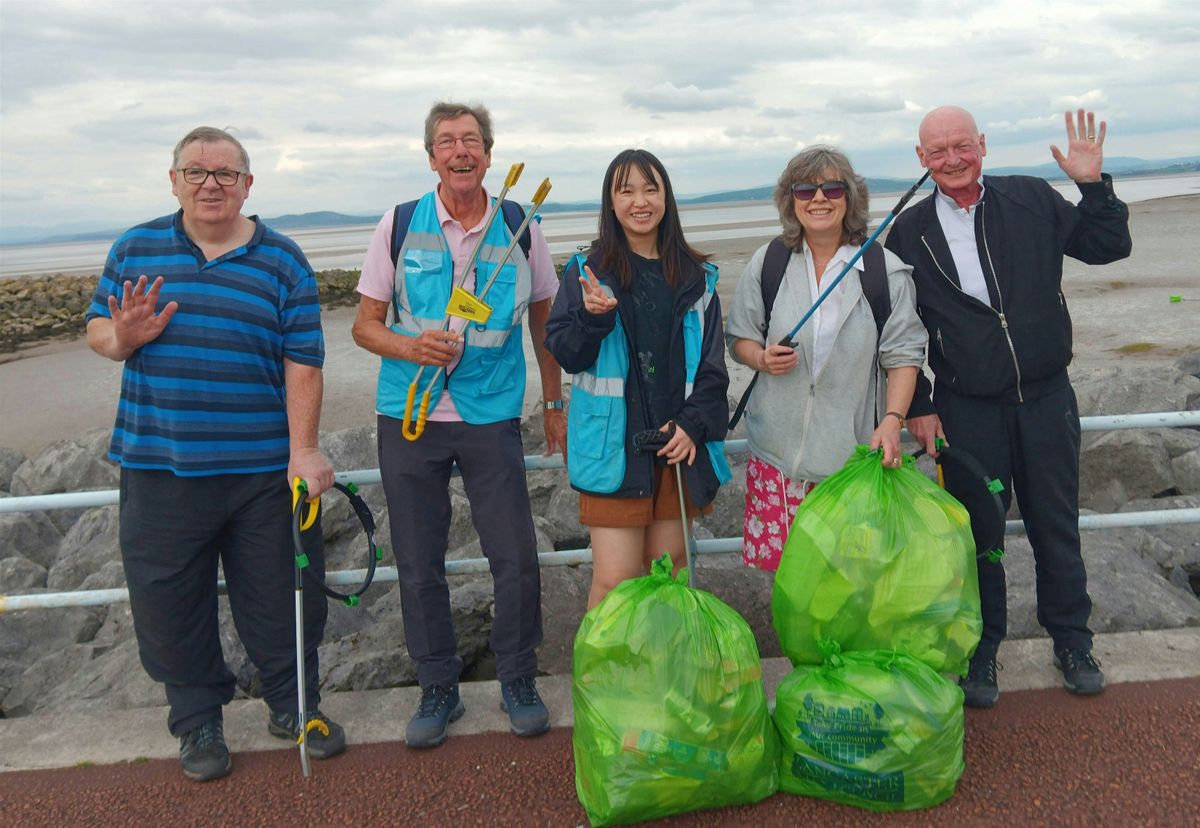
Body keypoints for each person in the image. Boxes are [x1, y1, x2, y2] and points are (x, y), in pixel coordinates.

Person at [85, 126, 344, 782]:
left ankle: (294, 707)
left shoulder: (283, 260)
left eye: (225, 174)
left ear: (248, 185)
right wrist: (122, 336)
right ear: (173, 180)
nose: (210, 184)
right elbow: (97, 332)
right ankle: (197, 719)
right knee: (168, 602)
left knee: (288, 594)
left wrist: (305, 450)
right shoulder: (135, 247)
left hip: (262, 471)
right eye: (196, 172)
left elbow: (304, 363)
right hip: (159, 466)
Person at [885, 107, 1133, 708]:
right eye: (937, 150)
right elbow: (901, 329)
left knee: (1056, 526)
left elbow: (1108, 246)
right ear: (921, 159)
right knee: (978, 535)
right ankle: (981, 649)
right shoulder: (907, 231)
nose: (951, 159)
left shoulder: (1030, 198)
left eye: (961, 146)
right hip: (969, 410)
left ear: (983, 145)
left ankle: (1072, 641)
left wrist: (1093, 186)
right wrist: (918, 401)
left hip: (1048, 398)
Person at [351, 102, 565, 749]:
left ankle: (518, 678)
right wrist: (412, 348)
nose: (460, 150)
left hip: (490, 413)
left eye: (471, 139)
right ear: (432, 156)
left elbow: (544, 320)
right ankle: (438, 686)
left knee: (516, 556)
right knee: (418, 562)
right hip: (410, 416)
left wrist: (553, 402)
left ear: (490, 154)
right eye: (447, 141)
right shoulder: (398, 225)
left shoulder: (521, 225)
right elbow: (365, 326)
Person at [544, 149, 730, 610]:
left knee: (671, 577)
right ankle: (603, 682)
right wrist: (590, 318)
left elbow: (712, 371)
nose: (639, 201)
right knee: (615, 584)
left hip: (675, 447)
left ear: (666, 197)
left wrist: (692, 425)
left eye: (651, 188)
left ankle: (666, 679)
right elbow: (565, 353)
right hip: (614, 449)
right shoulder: (587, 272)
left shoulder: (696, 277)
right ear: (610, 202)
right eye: (625, 190)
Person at [725, 146, 927, 571]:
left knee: (846, 587)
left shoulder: (884, 271)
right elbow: (739, 336)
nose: (819, 198)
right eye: (805, 189)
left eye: (832, 188)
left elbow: (904, 356)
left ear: (850, 197)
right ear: (790, 199)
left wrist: (892, 421)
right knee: (785, 586)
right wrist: (760, 357)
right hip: (776, 465)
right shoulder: (770, 262)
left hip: (851, 465)